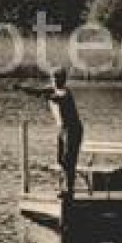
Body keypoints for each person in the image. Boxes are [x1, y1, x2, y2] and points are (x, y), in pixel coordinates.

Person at [16, 67, 84, 198]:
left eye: (58, 79)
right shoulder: (53, 89)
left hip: (73, 129)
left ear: (63, 80)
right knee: (61, 160)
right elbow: (36, 91)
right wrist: (21, 88)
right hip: (62, 129)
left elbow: (57, 98)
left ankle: (69, 191)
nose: (55, 81)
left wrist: (47, 96)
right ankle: (66, 187)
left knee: (69, 160)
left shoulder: (66, 93)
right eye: (53, 78)